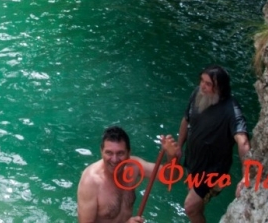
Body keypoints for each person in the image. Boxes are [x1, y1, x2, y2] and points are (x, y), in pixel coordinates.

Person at [175, 65, 251, 223]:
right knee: (196, 206)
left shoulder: (231, 110)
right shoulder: (198, 94)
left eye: (208, 84)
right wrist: (179, 145)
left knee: (189, 207)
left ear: (220, 88)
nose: (202, 85)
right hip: (193, 164)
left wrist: (246, 176)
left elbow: (242, 141)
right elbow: (186, 119)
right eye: (202, 80)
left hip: (213, 172)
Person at [76, 126, 179, 223]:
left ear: (129, 153)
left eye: (120, 153)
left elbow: (168, 177)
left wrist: (172, 156)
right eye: (109, 153)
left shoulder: (134, 166)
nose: (115, 159)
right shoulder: (90, 181)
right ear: (101, 151)